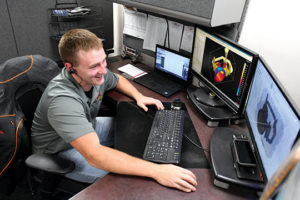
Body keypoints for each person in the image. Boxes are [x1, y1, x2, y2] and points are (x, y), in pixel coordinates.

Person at [31, 29, 197, 192]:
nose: (103, 70)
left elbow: (116, 79)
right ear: (70, 67)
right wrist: (156, 171)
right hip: (60, 150)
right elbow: (94, 155)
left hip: (89, 127)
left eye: (104, 60)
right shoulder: (62, 100)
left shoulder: (94, 76)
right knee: (128, 181)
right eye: (94, 66)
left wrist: (138, 96)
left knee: (137, 128)